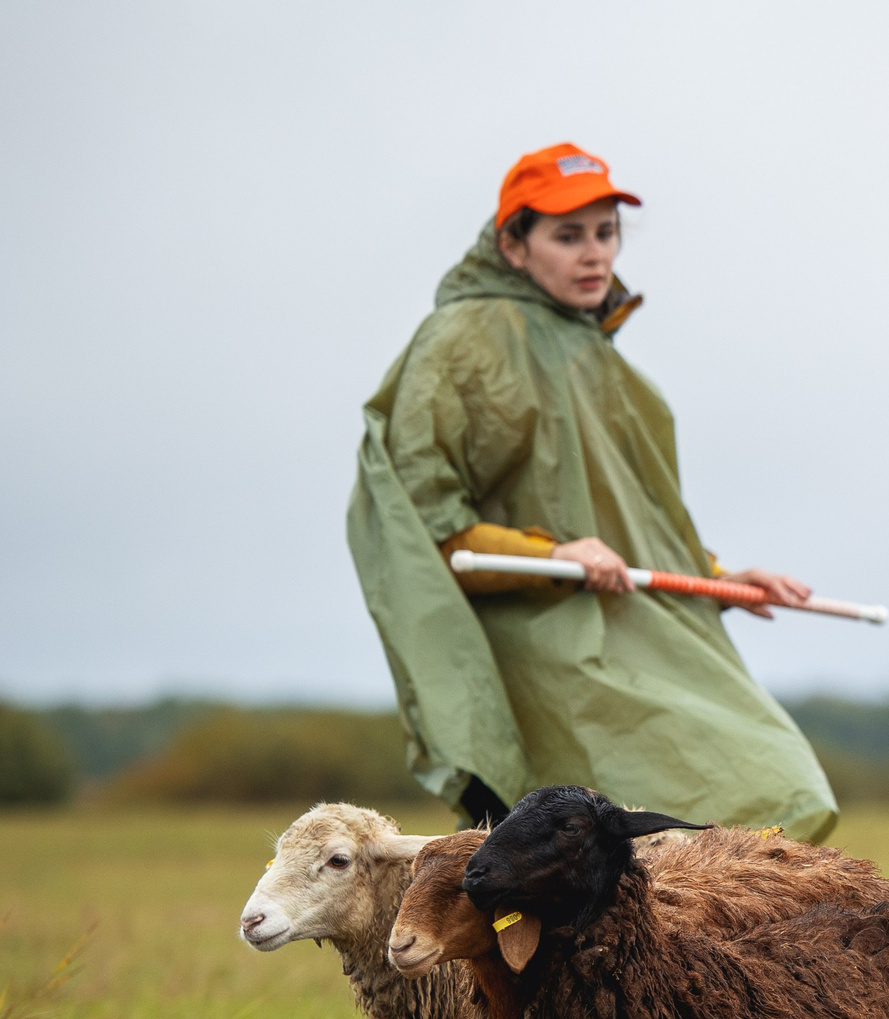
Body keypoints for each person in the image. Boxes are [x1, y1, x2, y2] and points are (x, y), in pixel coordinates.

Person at [348, 143, 838, 839]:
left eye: (605, 233)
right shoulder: (461, 340)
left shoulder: (592, 351)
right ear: (514, 246)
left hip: (635, 634)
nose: (594, 255)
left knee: (775, 786)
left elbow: (626, 516)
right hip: (552, 659)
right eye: (567, 235)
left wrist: (721, 577)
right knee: (723, 802)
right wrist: (556, 556)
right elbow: (429, 530)